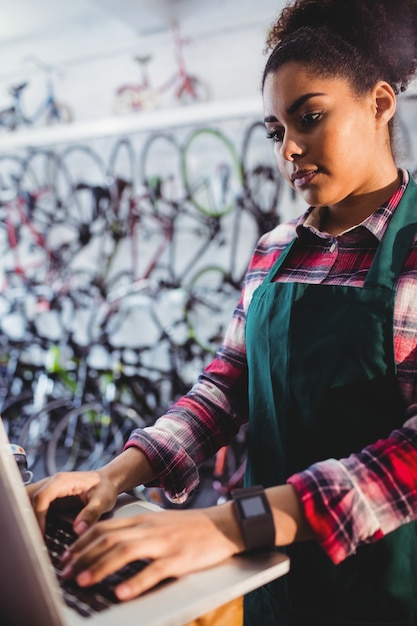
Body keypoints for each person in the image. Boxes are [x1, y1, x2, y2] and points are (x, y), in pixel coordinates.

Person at [27, 0, 417, 623]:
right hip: (271, 584)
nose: (288, 149)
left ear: (378, 104)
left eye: (309, 117)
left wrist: (230, 523)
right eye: (274, 131)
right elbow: (227, 387)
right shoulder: (273, 252)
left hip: (380, 593)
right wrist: (117, 474)